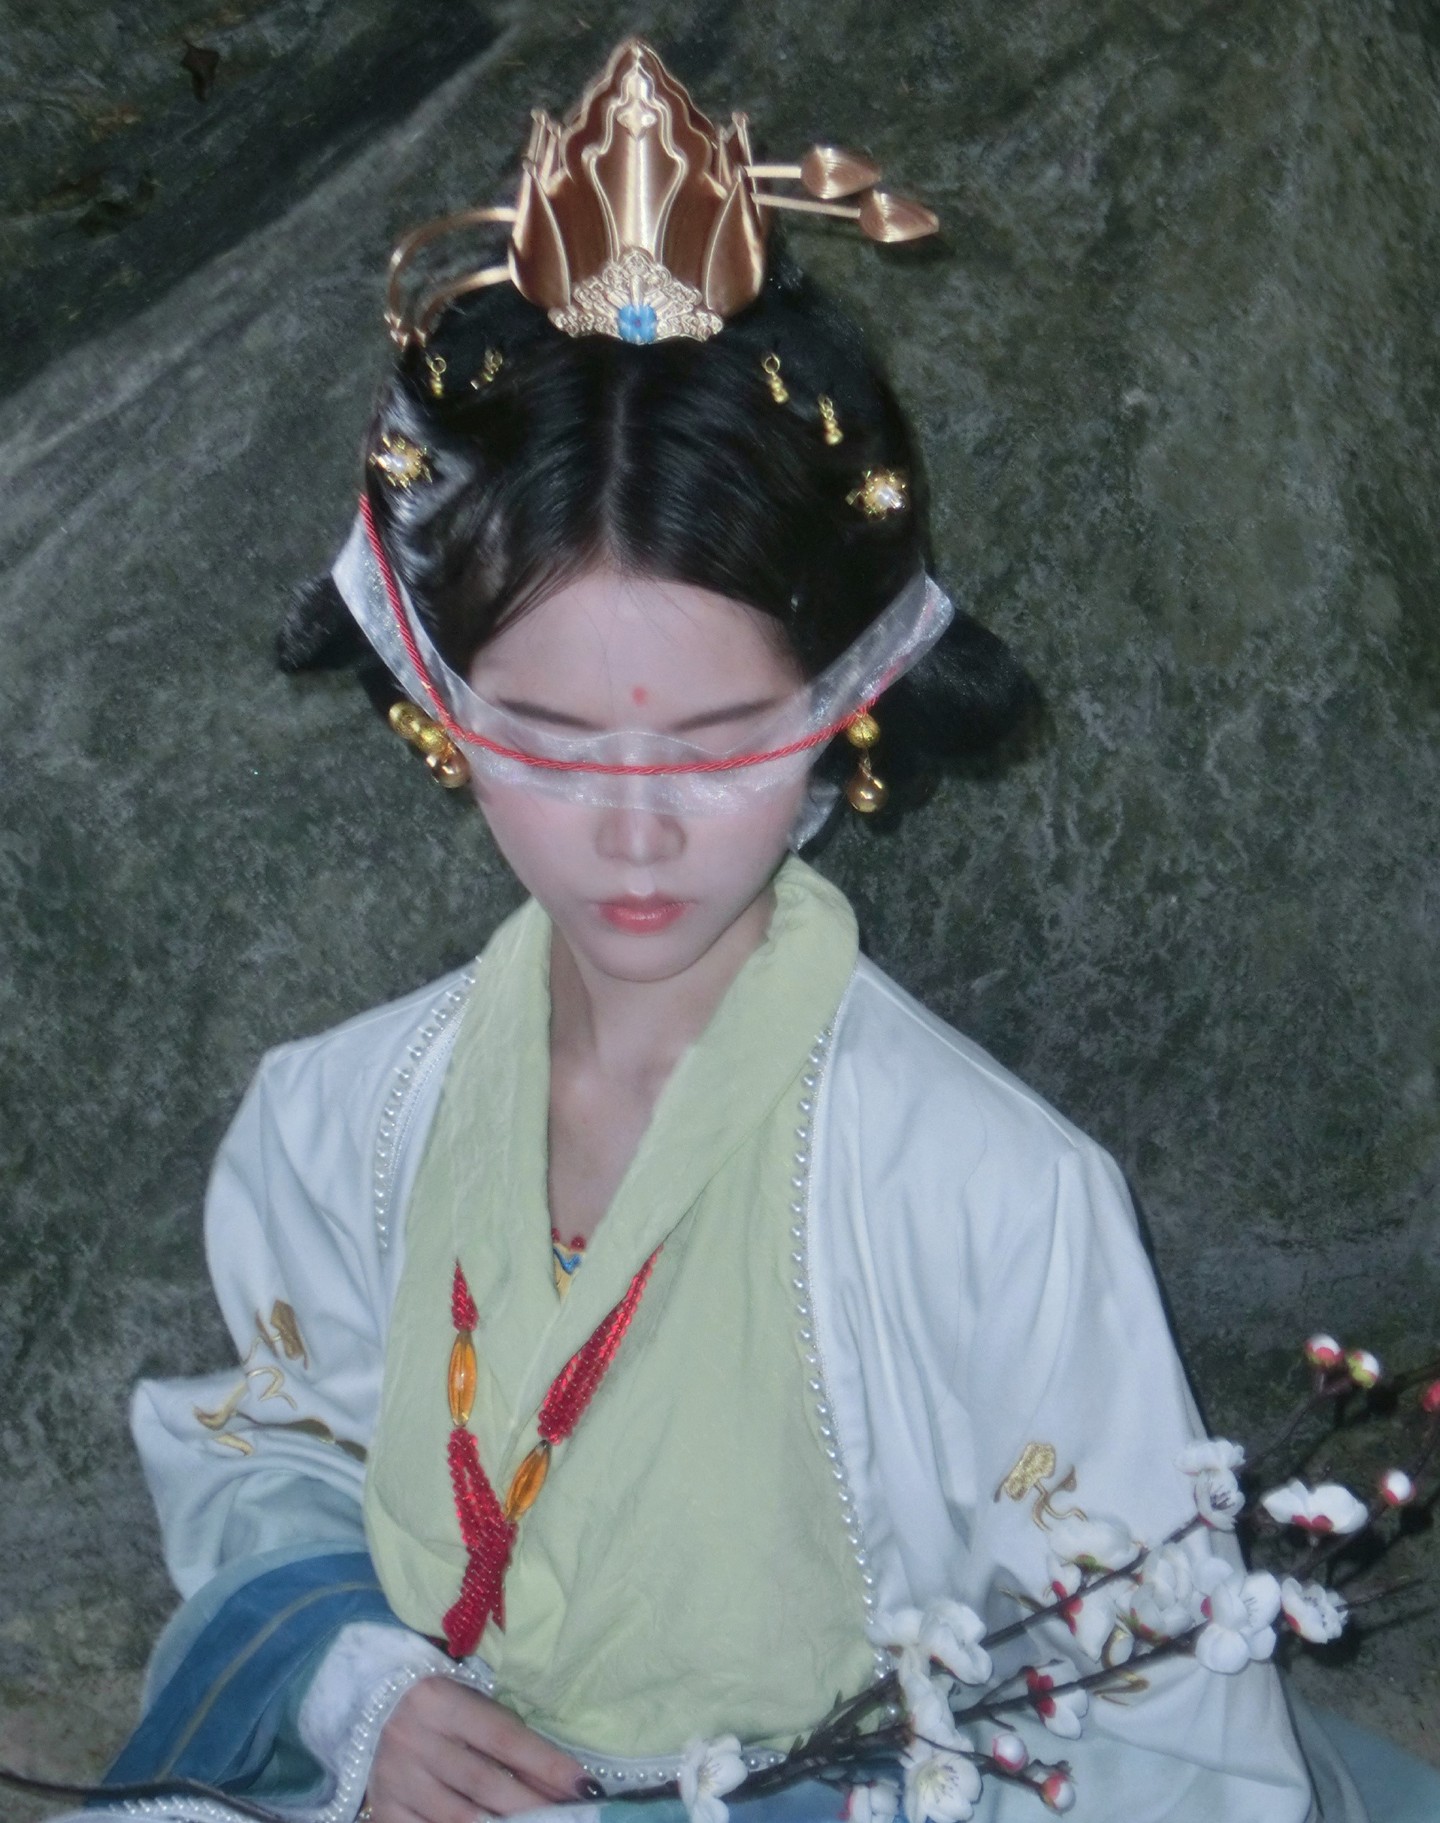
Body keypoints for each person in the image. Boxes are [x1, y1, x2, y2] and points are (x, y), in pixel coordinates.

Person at [49, 37, 1432, 1823]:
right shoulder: (339, 1122)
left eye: (719, 743)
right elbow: (276, 1453)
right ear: (436, 700)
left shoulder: (994, 1200)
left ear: (850, 699)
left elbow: (1151, 1725)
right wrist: (355, 1682)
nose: (634, 827)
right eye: (548, 739)